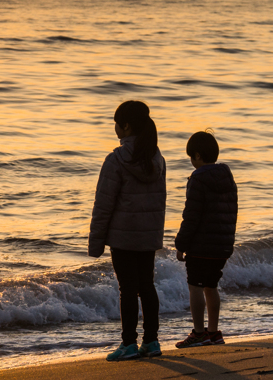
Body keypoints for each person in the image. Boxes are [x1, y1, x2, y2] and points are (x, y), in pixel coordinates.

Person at [89, 100, 167, 361]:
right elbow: (160, 201)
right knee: (146, 285)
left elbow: (103, 205)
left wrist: (96, 242)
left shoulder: (116, 160)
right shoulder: (157, 159)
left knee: (127, 289)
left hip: (123, 236)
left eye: (116, 124)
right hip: (148, 236)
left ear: (126, 126)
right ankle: (152, 341)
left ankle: (128, 343)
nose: (114, 129)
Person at [174, 130, 238, 348]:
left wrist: (180, 244)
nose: (191, 162)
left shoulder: (198, 179)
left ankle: (199, 333)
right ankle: (214, 332)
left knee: (195, 286)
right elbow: (232, 211)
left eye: (191, 157)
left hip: (201, 246)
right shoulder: (227, 177)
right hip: (221, 245)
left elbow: (191, 216)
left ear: (198, 156)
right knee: (211, 287)